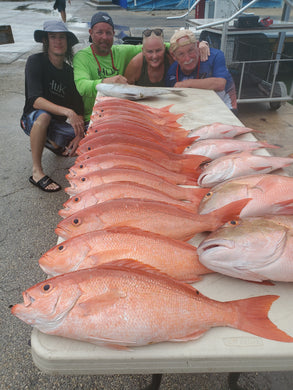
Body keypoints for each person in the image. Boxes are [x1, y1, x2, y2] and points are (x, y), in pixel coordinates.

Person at [20, 21, 85, 192]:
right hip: (33, 119)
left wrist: (79, 136)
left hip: (57, 124)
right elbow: (34, 99)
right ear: (45, 41)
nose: (58, 41)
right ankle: (37, 172)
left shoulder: (70, 73)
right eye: (53, 37)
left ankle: (53, 143)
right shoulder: (35, 61)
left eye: (62, 37)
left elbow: (79, 111)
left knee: (86, 140)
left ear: (67, 42)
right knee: (44, 116)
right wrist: (67, 111)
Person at [73, 12, 143, 123]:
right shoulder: (82, 57)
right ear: (91, 33)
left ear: (114, 34)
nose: (104, 37)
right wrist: (107, 81)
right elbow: (82, 86)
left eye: (108, 33)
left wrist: (177, 44)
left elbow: (150, 47)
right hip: (94, 118)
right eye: (99, 32)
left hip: (120, 115)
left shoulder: (121, 51)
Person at [165, 29, 237, 113]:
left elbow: (220, 84)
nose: (188, 58)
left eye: (191, 50)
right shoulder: (172, 71)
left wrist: (186, 83)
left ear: (198, 46)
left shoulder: (214, 56)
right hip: (197, 109)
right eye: (181, 54)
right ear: (174, 56)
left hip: (225, 108)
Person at [124, 28, 210, 87]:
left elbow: (187, 48)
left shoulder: (171, 57)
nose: (154, 56)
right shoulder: (136, 64)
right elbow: (126, 92)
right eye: (150, 51)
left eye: (158, 50)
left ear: (164, 48)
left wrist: (201, 44)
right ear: (143, 50)